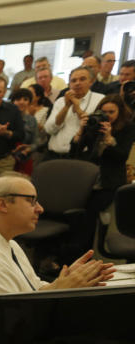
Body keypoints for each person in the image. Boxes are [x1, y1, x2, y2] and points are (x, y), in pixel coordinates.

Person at [0, 173, 114, 344]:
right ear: (3, 204)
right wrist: (63, 290)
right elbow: (8, 329)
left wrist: (66, 282)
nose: (40, 209)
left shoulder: (7, 243)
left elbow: (32, 292)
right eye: (31, 201)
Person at [69, 94, 135, 258]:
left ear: (120, 112)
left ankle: (84, 256)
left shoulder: (127, 128)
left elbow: (121, 156)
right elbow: (75, 152)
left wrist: (109, 139)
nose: (107, 116)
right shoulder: (94, 124)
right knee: (76, 217)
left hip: (109, 181)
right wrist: (81, 130)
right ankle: (72, 255)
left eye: (111, 112)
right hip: (86, 179)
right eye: (103, 111)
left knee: (89, 217)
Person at [45, 66, 104, 160]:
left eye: (82, 79)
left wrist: (77, 107)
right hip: (54, 155)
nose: (77, 83)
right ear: (69, 85)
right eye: (73, 80)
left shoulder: (100, 99)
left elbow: (92, 127)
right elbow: (49, 129)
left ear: (91, 81)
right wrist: (66, 106)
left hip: (80, 157)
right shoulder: (61, 101)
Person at [10, 88, 39, 175]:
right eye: (18, 99)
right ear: (13, 101)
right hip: (8, 159)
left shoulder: (32, 120)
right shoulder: (7, 118)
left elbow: (36, 141)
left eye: (25, 99)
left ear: (29, 102)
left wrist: (28, 149)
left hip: (25, 159)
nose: (22, 102)